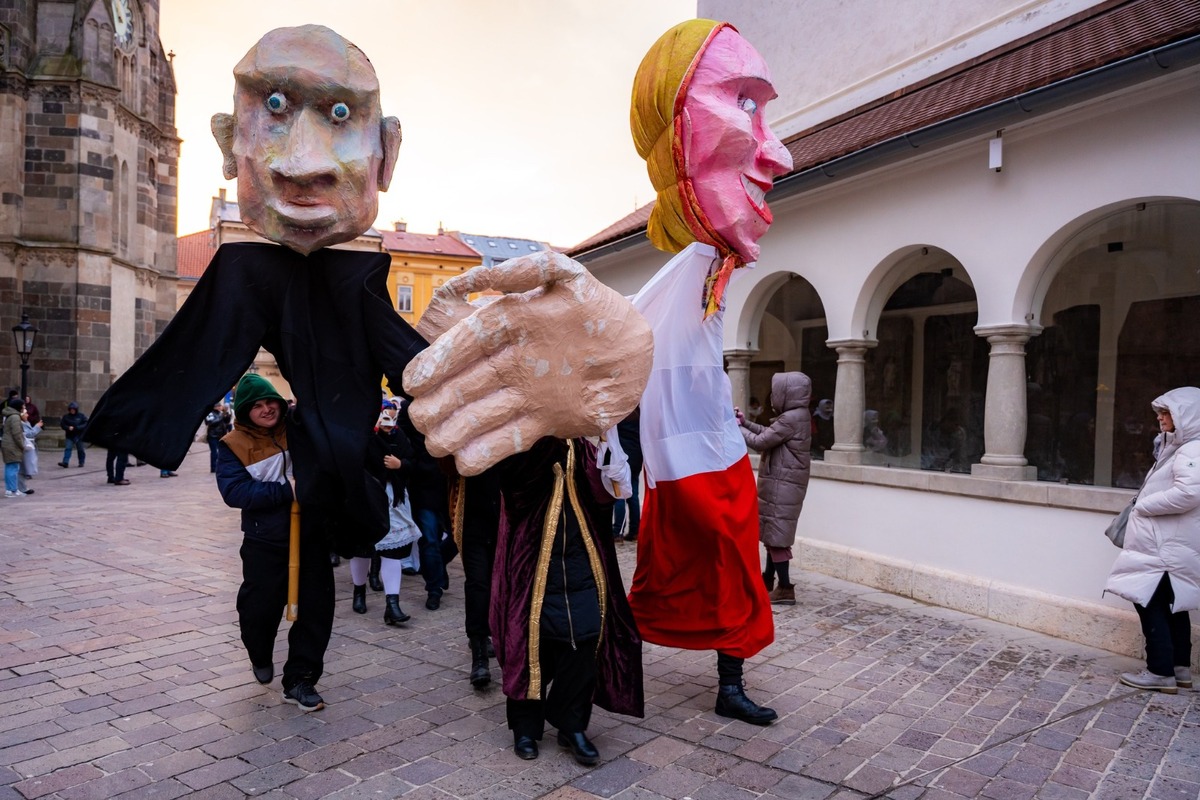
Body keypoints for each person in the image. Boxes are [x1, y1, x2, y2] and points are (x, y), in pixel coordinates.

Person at [626, 19, 793, 725]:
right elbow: (640, 340)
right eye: (743, 103)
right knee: (702, 562)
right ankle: (633, 653)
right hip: (689, 456)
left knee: (728, 566)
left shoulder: (706, 268)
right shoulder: (689, 270)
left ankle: (727, 679)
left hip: (707, 448)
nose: (777, 154)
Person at [491, 437, 643, 764]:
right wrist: (546, 445)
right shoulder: (522, 444)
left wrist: (609, 456)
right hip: (532, 564)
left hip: (581, 560)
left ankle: (571, 723)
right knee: (530, 645)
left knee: (585, 638)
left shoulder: (585, 447)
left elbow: (608, 496)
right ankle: (525, 727)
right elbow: (515, 492)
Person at [216, 373, 334, 712]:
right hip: (265, 541)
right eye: (257, 406)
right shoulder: (232, 444)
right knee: (258, 610)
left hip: (310, 535)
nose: (267, 409)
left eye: (271, 402)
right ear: (244, 411)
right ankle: (259, 651)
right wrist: (286, 491)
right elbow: (234, 491)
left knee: (316, 610)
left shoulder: (298, 429)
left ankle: (300, 680)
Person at [1105, 386, 1200, 694]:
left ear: (1186, 416)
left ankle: (1160, 671)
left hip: (1164, 543)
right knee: (1172, 603)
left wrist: (1143, 506)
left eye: (1166, 412)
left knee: (1149, 602)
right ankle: (1179, 669)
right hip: (1169, 541)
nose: (1160, 418)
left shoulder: (1191, 450)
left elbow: (1189, 493)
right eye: (1159, 412)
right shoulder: (1179, 447)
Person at [737, 372, 813, 606]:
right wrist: (744, 423)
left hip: (784, 483)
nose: (772, 398)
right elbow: (768, 433)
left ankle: (785, 588)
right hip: (783, 482)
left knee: (778, 537)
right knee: (773, 534)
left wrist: (734, 428)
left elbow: (760, 442)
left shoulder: (791, 418)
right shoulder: (795, 416)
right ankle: (768, 580)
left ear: (786, 393)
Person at [348, 406, 421, 625]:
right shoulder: (363, 436)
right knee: (362, 549)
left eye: (391, 418)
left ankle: (392, 605)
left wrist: (401, 464)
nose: (387, 422)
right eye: (383, 418)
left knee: (393, 551)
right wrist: (374, 433)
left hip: (393, 499)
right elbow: (355, 462)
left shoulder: (400, 437)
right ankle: (359, 591)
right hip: (367, 496)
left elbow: (412, 462)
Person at [610, 408, 643, 542]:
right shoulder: (639, 413)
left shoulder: (620, 413)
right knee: (633, 494)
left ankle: (618, 531)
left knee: (619, 495)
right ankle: (635, 530)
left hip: (621, 457)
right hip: (637, 456)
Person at [3, 398, 27, 497]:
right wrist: (22, 445)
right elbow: (17, 434)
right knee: (13, 468)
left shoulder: (11, 416)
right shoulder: (15, 417)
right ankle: (12, 490)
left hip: (8, 444)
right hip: (12, 445)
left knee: (10, 467)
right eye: (23, 405)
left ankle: (11, 489)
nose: (24, 407)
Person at [204, 403, 233, 473]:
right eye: (219, 406)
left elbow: (226, 422)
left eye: (220, 406)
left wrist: (227, 416)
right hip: (213, 435)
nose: (220, 407)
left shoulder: (220, 413)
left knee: (221, 452)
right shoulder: (210, 413)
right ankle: (213, 468)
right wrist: (221, 417)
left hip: (221, 435)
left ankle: (220, 467)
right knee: (214, 452)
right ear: (215, 407)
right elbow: (210, 422)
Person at [19, 406, 43, 494]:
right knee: (21, 469)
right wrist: (37, 426)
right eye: (25, 413)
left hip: (28, 447)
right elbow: (28, 434)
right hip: (25, 447)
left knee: (24, 468)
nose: (27, 415)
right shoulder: (21, 423)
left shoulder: (25, 422)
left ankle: (22, 487)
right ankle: (20, 488)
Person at [59, 402, 88, 467]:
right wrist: (68, 427)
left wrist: (77, 427)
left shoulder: (81, 416)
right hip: (69, 435)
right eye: (71, 409)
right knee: (68, 448)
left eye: (73, 409)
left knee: (80, 449)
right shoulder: (66, 417)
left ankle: (81, 462)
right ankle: (65, 462)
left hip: (79, 436)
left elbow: (85, 424)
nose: (72, 410)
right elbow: (62, 425)